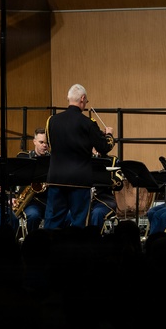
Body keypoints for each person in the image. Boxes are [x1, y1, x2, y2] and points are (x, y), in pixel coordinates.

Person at [43, 84, 115, 229]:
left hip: (56, 178)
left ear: (68, 98)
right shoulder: (88, 123)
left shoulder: (52, 120)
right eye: (86, 101)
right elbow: (104, 148)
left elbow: (50, 145)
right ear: (82, 99)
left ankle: (51, 250)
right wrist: (109, 135)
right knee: (79, 222)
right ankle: (76, 250)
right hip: (79, 180)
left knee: (53, 220)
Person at [15, 127, 51, 233]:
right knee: (33, 216)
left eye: (46, 143)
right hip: (31, 202)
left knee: (66, 216)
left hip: (48, 200)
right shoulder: (24, 157)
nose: (44, 145)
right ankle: (32, 243)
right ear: (34, 142)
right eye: (41, 142)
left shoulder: (53, 159)